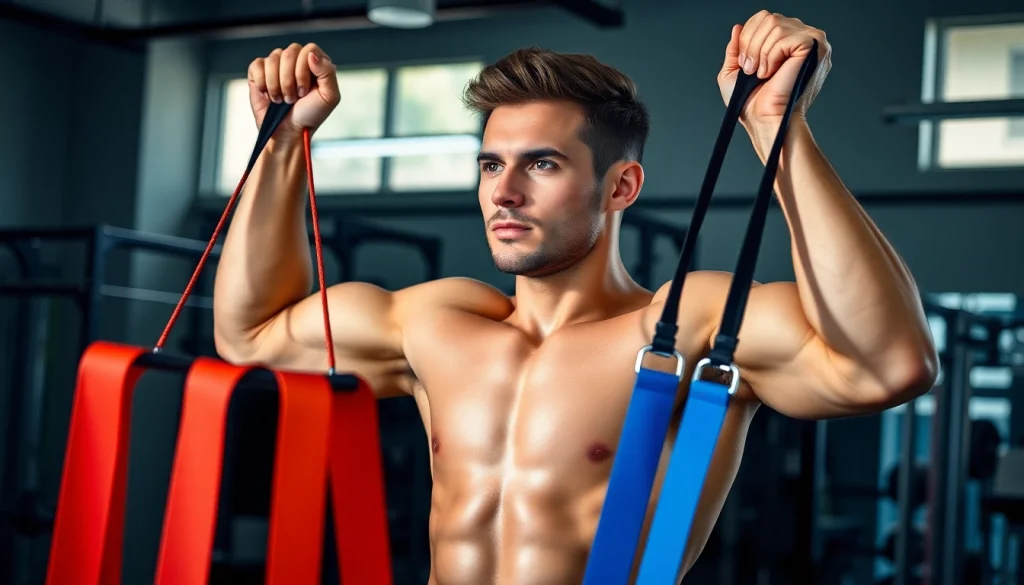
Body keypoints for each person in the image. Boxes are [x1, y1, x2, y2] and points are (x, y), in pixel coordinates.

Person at [213, 10, 938, 584]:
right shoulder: (434, 323)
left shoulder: (687, 327)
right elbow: (251, 333)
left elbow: (888, 364)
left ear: (619, 186)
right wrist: (281, 141)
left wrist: (780, 130)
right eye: (491, 163)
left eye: (543, 164)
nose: (505, 190)